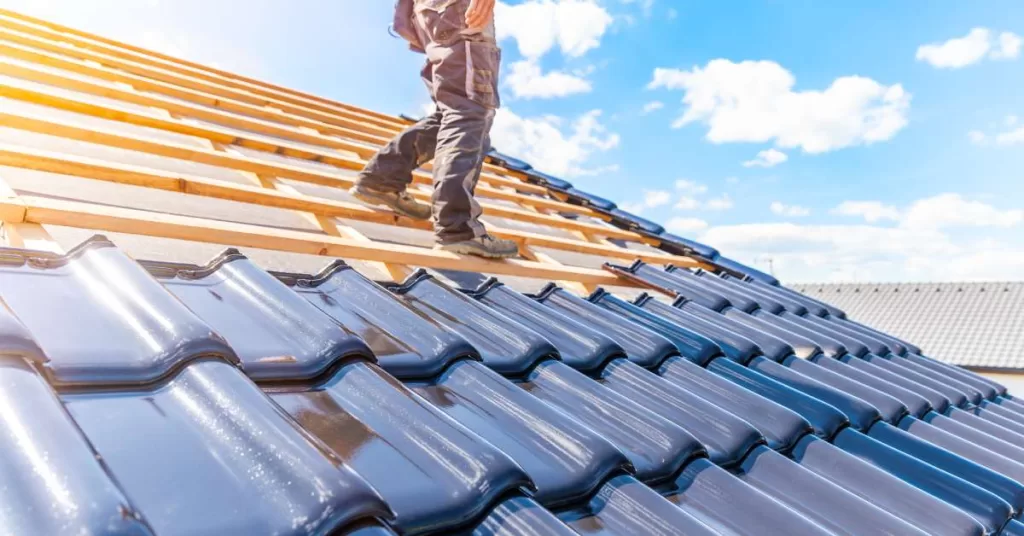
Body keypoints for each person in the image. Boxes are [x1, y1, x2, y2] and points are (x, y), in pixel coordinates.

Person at [349, 0, 519, 259]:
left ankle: (382, 179)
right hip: (453, 8)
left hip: (429, 13)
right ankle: (458, 229)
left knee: (451, 112)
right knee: (470, 110)